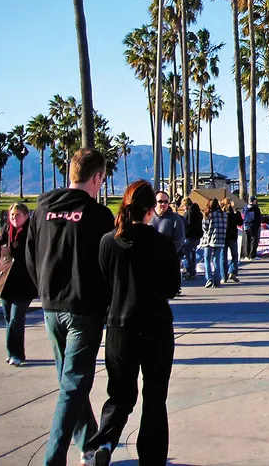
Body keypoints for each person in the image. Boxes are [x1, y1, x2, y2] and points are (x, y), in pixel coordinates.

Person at [25, 148, 115, 466]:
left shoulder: (44, 206)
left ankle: (90, 444)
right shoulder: (99, 215)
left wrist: (43, 289)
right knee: (74, 382)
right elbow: (108, 266)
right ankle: (54, 457)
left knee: (68, 382)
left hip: (50, 305)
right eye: (102, 180)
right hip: (84, 309)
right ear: (96, 178)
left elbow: (30, 253)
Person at [80, 180, 179, 466]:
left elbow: (102, 284)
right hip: (156, 326)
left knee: (120, 394)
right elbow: (172, 286)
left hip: (119, 327)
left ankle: (105, 442)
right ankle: (151, 457)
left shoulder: (108, 241)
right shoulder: (161, 243)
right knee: (154, 397)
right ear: (151, 211)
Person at [0, 203, 37, 366]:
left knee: (16, 318)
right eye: (11, 215)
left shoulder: (32, 232)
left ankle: (15, 353)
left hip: (24, 282)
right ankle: (15, 352)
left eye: (17, 215)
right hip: (6, 281)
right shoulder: (5, 232)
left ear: (25, 216)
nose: (14, 218)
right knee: (8, 318)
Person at [150, 191, 186, 266]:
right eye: (160, 201)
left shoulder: (175, 218)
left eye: (166, 202)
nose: (163, 204)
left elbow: (179, 240)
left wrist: (167, 254)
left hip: (169, 261)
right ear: (154, 202)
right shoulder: (148, 217)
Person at [202, 199, 227, 288]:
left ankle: (209, 279)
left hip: (209, 239)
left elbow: (205, 228)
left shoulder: (208, 214)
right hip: (220, 239)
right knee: (217, 260)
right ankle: (217, 279)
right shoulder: (224, 214)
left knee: (207, 260)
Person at [183, 200, 203, 279]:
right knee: (192, 254)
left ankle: (190, 272)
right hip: (197, 236)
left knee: (185, 255)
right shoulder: (199, 213)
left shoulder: (188, 213)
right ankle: (193, 271)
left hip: (189, 236)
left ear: (186, 205)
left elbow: (186, 225)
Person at [224, 201, 242, 283]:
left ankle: (223, 276)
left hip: (223, 236)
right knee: (234, 255)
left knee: (223, 257)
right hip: (233, 236)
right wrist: (237, 213)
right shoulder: (234, 214)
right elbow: (240, 222)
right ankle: (232, 271)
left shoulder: (223, 214)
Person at [241, 197, 262, 261]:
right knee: (254, 239)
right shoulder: (256, 208)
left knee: (247, 240)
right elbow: (258, 217)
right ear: (254, 201)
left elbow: (242, 216)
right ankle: (252, 255)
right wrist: (258, 225)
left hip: (245, 225)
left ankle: (246, 255)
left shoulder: (245, 208)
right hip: (253, 225)